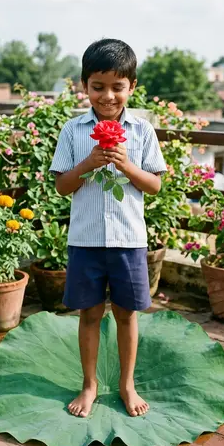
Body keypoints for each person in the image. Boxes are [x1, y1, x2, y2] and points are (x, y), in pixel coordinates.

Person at [49, 39, 167, 418]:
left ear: (131, 86)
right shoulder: (73, 130)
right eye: (98, 86)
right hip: (85, 240)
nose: (108, 95)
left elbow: (155, 184)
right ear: (84, 86)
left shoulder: (142, 131)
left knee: (127, 314)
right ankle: (89, 384)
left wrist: (126, 165)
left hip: (129, 241)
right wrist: (88, 162)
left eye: (118, 86)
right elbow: (62, 186)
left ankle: (126, 384)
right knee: (88, 314)